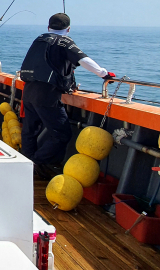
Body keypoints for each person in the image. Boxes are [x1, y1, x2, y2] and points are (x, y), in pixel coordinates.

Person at [20, 13, 114, 179]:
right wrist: (103, 73)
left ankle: (27, 164)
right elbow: (83, 59)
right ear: (68, 29)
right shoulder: (64, 41)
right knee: (62, 134)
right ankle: (36, 161)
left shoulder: (39, 39)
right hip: (47, 94)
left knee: (30, 130)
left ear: (48, 27)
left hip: (28, 91)